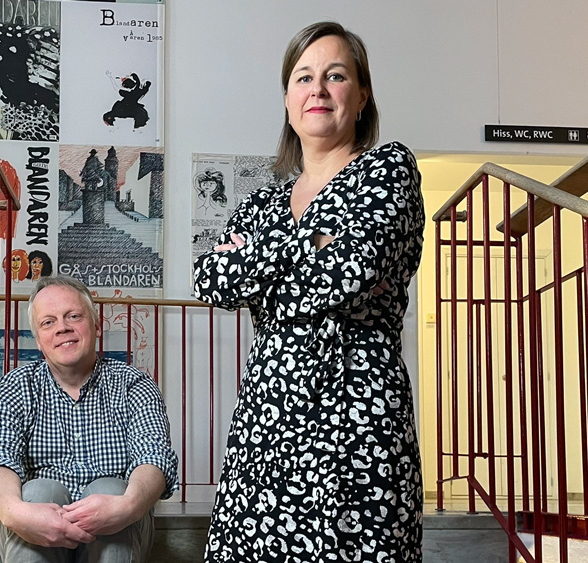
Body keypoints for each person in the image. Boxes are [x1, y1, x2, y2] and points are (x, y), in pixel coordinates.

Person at [193, 21, 425, 562]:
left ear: (362, 95)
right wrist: (313, 244)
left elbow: (349, 272)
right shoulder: (261, 202)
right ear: (288, 99)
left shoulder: (388, 169)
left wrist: (257, 261)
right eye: (303, 77)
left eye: (335, 75)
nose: (317, 89)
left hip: (359, 420)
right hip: (265, 431)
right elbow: (210, 279)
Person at [0, 275, 179, 563]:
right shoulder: (10, 388)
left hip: (117, 529)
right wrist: (15, 512)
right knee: (39, 490)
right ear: (40, 341)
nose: (62, 328)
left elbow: (154, 457)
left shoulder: (135, 385)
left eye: (73, 316)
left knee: (112, 488)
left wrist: (128, 505)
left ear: (95, 326)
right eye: (48, 322)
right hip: (36, 532)